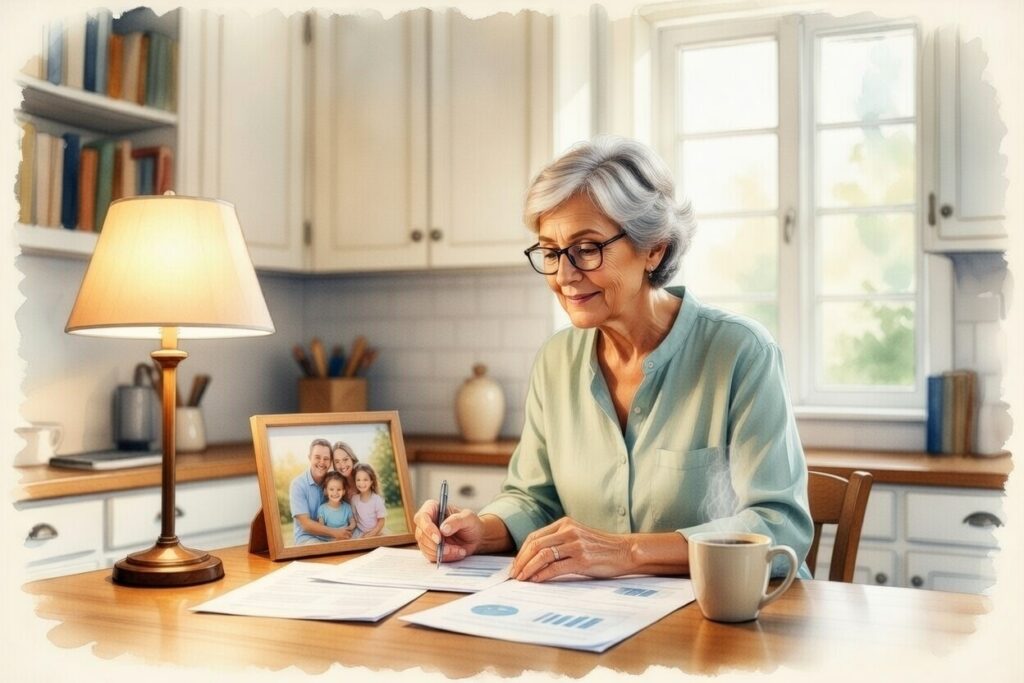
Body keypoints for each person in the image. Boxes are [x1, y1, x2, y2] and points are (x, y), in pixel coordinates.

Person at [413, 135, 812, 582]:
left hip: (736, 610)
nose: (564, 275)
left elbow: (780, 526)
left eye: (586, 249)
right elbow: (533, 499)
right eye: (550, 252)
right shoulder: (556, 361)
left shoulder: (740, 352)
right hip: (606, 615)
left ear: (654, 248)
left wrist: (626, 552)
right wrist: (481, 531)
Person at [288, 438, 354, 544]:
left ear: (330, 462)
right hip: (307, 537)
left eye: (326, 459)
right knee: (323, 548)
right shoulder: (298, 485)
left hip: (334, 536)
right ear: (309, 458)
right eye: (317, 457)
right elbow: (305, 524)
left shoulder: (333, 482)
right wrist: (335, 533)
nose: (322, 462)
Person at [350, 463, 387, 539]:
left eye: (365, 480)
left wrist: (371, 534)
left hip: (376, 532)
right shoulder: (354, 499)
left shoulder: (377, 499)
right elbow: (354, 517)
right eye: (358, 480)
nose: (361, 483)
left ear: (371, 481)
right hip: (360, 532)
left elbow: (381, 521)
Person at [317, 471, 357, 535]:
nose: (335, 493)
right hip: (329, 537)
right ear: (326, 491)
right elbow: (321, 527)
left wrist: (349, 528)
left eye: (339, 489)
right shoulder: (322, 509)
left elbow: (353, 522)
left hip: (345, 535)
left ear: (343, 491)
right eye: (331, 489)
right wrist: (335, 533)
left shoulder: (347, 507)